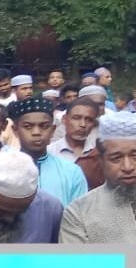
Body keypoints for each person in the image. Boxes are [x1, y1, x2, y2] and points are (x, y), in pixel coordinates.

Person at [59, 114, 136, 243]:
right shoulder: (78, 212)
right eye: (116, 158)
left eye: (135, 156)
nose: (128, 167)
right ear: (101, 160)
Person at [8, 98, 86, 207]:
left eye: (44, 126)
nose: (36, 132)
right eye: (28, 127)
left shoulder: (72, 172)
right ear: (15, 130)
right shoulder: (3, 170)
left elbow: (79, 213)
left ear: (53, 130)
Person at [48, 99, 104, 190]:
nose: (83, 124)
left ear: (94, 124)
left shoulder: (99, 154)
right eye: (76, 118)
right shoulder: (49, 153)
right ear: (64, 119)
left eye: (89, 120)